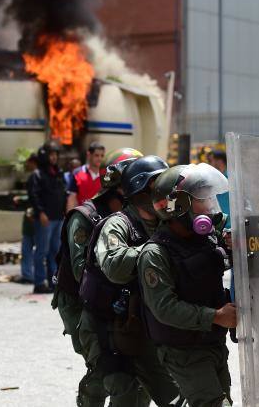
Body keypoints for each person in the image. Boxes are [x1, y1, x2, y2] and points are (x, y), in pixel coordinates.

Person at [78, 155, 185, 406]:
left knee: (172, 395)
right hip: (106, 324)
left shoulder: (165, 221)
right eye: (157, 187)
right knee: (120, 385)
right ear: (140, 191)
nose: (165, 193)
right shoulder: (117, 224)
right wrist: (156, 252)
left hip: (143, 324)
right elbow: (114, 265)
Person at [139, 163, 236, 406]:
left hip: (212, 343)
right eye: (202, 199)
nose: (211, 206)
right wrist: (215, 316)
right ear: (177, 207)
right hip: (183, 350)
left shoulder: (206, 239)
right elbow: (164, 308)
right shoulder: (156, 253)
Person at [53, 147, 143, 407]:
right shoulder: (85, 218)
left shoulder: (134, 216)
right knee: (107, 369)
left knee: (134, 372)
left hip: (115, 300)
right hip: (81, 303)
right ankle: (89, 398)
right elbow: (84, 275)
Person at [27, 141, 68, 294]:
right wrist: (41, 213)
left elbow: (64, 193)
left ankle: (53, 282)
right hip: (45, 219)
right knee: (41, 251)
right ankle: (39, 283)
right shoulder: (37, 175)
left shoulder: (58, 173)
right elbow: (34, 196)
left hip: (58, 218)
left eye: (55, 154)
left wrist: (65, 211)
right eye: (51, 154)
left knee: (55, 252)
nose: (54, 157)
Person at [14, 153, 39, 284]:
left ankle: (28, 275)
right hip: (37, 219)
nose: (26, 164)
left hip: (33, 219)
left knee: (29, 249)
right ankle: (33, 275)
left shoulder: (35, 177)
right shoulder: (41, 176)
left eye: (28, 162)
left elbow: (33, 198)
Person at [67, 142, 105, 210]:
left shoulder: (106, 174)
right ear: (89, 155)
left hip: (101, 217)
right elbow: (72, 198)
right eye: (96, 155)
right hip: (81, 216)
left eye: (102, 156)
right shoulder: (77, 173)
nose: (100, 159)